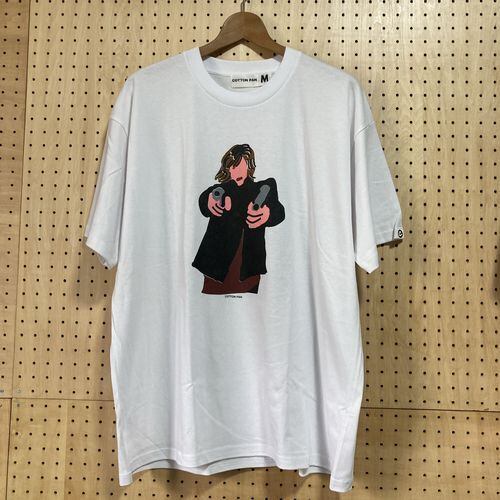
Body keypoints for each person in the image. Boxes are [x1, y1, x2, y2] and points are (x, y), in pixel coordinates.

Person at [192, 144, 285, 294]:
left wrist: (268, 213)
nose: (239, 171)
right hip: (216, 268)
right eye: (234, 167)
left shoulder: (261, 190)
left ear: (250, 167)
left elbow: (279, 211)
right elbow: (207, 197)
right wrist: (208, 199)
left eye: (243, 166)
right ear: (228, 169)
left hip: (248, 270)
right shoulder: (221, 190)